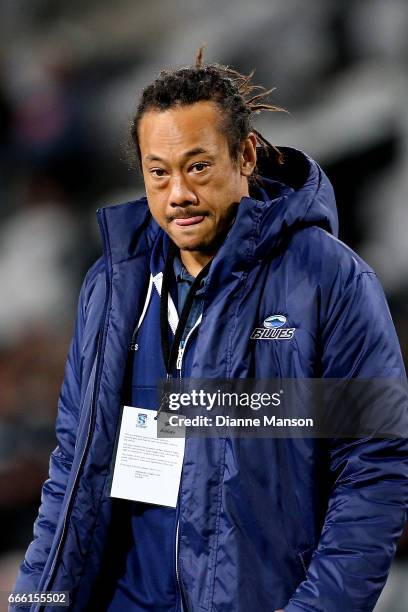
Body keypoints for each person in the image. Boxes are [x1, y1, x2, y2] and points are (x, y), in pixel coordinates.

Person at [13, 50, 408, 612]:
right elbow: (73, 469)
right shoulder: (113, 287)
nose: (178, 195)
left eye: (197, 166)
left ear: (245, 155)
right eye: (159, 172)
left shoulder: (326, 281)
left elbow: (373, 472)